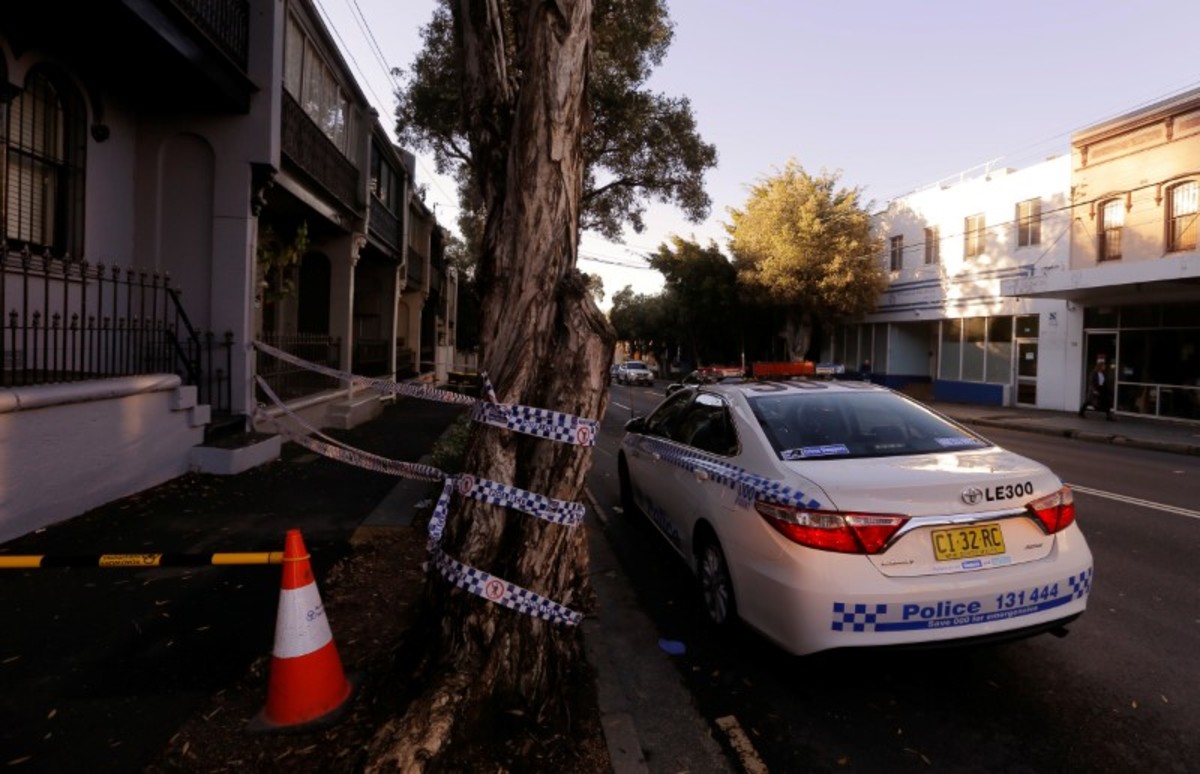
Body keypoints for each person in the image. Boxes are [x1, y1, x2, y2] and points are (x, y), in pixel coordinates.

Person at [1079, 355, 1115, 421]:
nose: (1104, 367)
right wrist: (1094, 390)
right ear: (1100, 366)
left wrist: (1109, 389)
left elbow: (1104, 382)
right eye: (1103, 366)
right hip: (1094, 389)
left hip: (1101, 389)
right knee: (1088, 401)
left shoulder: (1103, 374)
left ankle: (1108, 416)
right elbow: (1091, 382)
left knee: (1107, 401)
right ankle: (1081, 413)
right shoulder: (1094, 373)